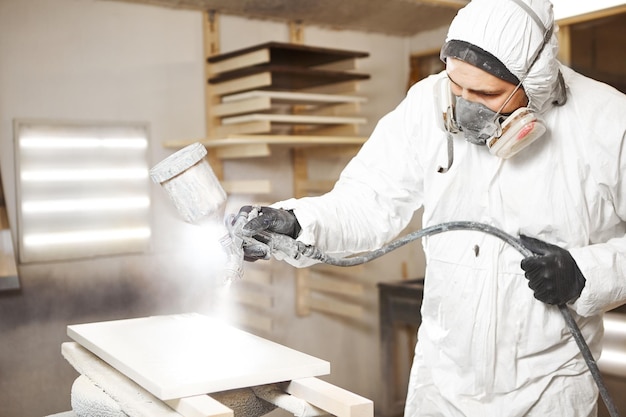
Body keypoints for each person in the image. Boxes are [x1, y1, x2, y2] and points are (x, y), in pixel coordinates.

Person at [238, 0, 626, 415]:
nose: (464, 107)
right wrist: (297, 223)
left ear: (537, 83)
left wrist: (586, 274)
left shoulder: (608, 124)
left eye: (486, 93)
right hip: (442, 384)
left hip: (548, 391)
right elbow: (369, 198)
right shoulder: (427, 103)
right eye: (457, 85)